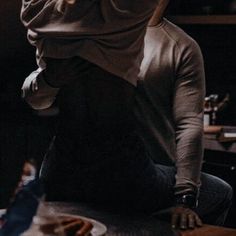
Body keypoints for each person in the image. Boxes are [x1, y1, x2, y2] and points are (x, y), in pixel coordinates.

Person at [135, 0, 233, 229]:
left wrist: (185, 198)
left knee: (219, 192)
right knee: (221, 192)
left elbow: (189, 125)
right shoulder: (106, 33)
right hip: (123, 170)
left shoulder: (181, 46)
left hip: (153, 171)